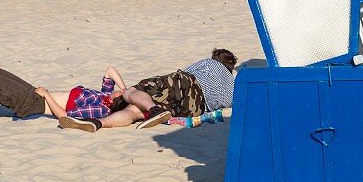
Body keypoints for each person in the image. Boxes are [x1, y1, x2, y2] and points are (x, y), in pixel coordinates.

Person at [59, 48, 237, 133]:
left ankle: (101, 122)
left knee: (131, 94)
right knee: (136, 111)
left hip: (188, 84)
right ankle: (97, 123)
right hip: (195, 108)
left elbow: (186, 73)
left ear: (216, 58)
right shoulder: (232, 90)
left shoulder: (210, 63)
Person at [0, 65, 126, 127]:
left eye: (121, 93)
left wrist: (47, 96)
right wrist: (125, 89)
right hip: (35, 94)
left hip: (33, 104)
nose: (118, 89)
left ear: (116, 101)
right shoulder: (105, 95)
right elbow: (109, 70)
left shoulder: (101, 108)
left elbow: (65, 117)